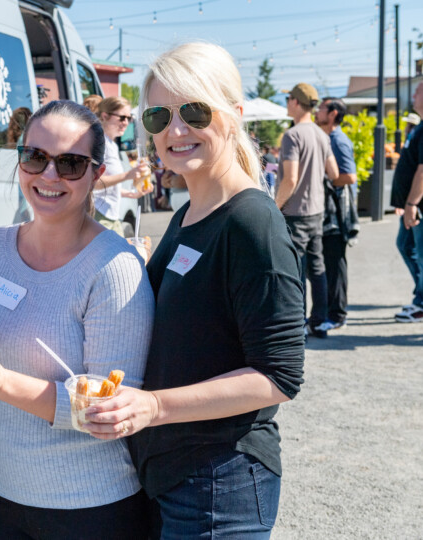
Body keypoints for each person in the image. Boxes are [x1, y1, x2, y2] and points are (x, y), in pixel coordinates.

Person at [85, 42, 306, 539]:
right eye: (159, 115)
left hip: (218, 483)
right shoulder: (189, 214)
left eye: (194, 111)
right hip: (174, 473)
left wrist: (154, 406)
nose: (175, 130)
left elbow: (279, 376)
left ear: (234, 115)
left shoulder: (251, 221)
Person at [0, 100, 155, 538]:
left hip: (91, 506)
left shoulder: (115, 267)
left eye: (70, 163)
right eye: (35, 157)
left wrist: (0, 381)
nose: (49, 176)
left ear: (96, 172)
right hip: (1, 498)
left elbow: (108, 411)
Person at [274, 82, 340, 338]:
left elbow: (290, 179)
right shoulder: (321, 135)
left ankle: (297, 322)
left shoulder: (293, 135)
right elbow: (333, 173)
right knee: (317, 267)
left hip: (295, 212)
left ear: (296, 102)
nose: (287, 102)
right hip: (316, 210)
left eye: (289, 97)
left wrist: (275, 205)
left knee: (295, 270)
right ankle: (320, 320)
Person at [315, 97, 359, 331]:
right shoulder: (327, 138)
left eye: (321, 108)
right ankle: (331, 312)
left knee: (335, 265)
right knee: (328, 265)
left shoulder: (338, 140)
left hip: (336, 215)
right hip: (328, 214)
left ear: (332, 114)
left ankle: (337, 314)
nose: (317, 111)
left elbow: (350, 177)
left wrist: (323, 176)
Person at [93, 96, 153, 235]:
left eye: (129, 118)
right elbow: (92, 184)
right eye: (122, 118)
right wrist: (128, 175)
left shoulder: (111, 144)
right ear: (105, 116)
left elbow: (105, 188)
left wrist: (130, 194)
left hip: (110, 215)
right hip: (99, 215)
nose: (126, 122)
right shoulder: (97, 144)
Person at [390, 82, 423, 323]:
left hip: (418, 206)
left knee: (419, 253)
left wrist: (412, 204)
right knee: (405, 245)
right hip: (412, 205)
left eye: (418, 91)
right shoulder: (419, 127)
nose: (413, 95)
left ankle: (421, 302)